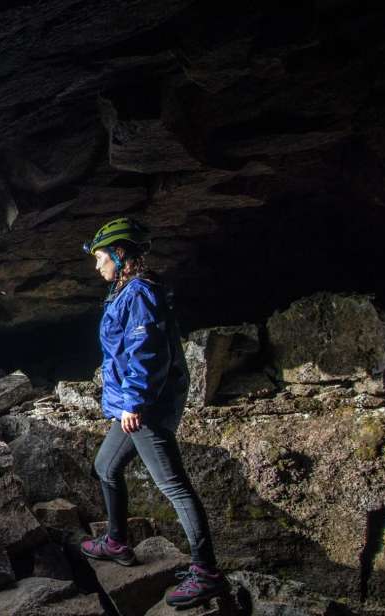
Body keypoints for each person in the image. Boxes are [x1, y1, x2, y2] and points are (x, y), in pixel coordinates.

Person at [77, 218, 226, 608]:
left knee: (173, 486)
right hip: (133, 407)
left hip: (144, 409)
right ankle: (116, 541)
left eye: (99, 258)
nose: (97, 266)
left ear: (119, 253)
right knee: (106, 466)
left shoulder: (140, 293)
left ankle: (207, 572)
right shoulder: (125, 291)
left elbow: (147, 353)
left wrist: (134, 403)